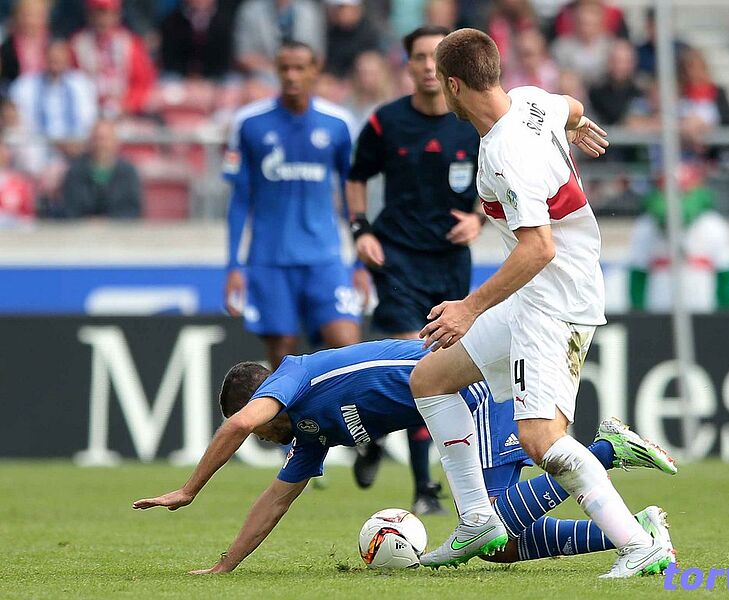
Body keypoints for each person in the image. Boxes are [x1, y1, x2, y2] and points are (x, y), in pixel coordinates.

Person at [406, 28, 669, 577]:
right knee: (430, 378)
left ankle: (639, 543)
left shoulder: (509, 153)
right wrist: (576, 125)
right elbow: (569, 105)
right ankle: (478, 521)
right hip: (534, 296)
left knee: (540, 439)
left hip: (553, 302)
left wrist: (468, 308)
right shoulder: (528, 101)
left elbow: (539, 248)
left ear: (453, 86)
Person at [131, 338, 677, 573]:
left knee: (487, 524)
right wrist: (225, 566)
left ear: (261, 398)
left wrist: (189, 489)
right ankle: (635, 534)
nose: (258, 438)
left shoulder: (294, 374)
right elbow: (274, 501)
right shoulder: (309, 434)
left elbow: (239, 423)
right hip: (460, 404)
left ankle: (606, 449)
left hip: (476, 391)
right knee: (501, 548)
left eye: (258, 428)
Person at [346, 26, 483, 515]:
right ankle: (425, 488)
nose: (428, 65)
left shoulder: (473, 121)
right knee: (418, 364)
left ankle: (372, 433)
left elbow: (496, 181)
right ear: (407, 65)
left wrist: (479, 218)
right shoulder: (386, 122)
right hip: (398, 258)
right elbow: (356, 177)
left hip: (450, 263)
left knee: (436, 370)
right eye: (420, 56)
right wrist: (360, 230)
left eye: (436, 57)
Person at [223, 41, 362, 371]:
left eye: (300, 68)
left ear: (315, 70)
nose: (292, 76)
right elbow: (240, 199)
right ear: (276, 71)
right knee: (282, 354)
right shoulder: (249, 123)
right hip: (270, 259)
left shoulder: (338, 123)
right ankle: (293, 408)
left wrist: (359, 260)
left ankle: (343, 407)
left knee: (347, 343)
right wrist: (233, 265)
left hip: (324, 257)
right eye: (285, 68)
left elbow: (352, 194)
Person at [627, 163, 729, 313]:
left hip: (702, 303)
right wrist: (637, 311)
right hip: (659, 304)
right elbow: (638, 272)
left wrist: (725, 310)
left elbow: (724, 273)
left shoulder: (713, 224)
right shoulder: (646, 225)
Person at [68, 0, 157, 117]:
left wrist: (126, 106)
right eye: (98, 13)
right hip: (86, 113)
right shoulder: (77, 44)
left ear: (117, 15)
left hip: (125, 113)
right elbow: (70, 82)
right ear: (89, 15)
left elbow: (143, 83)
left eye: (109, 13)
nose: (103, 19)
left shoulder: (130, 43)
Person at [61, 119, 142, 219]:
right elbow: (70, 210)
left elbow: (133, 210)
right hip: (82, 227)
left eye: (105, 139)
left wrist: (108, 221)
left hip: (118, 228)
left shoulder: (128, 172)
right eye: (97, 139)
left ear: (115, 142)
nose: (101, 144)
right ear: (90, 142)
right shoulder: (75, 172)